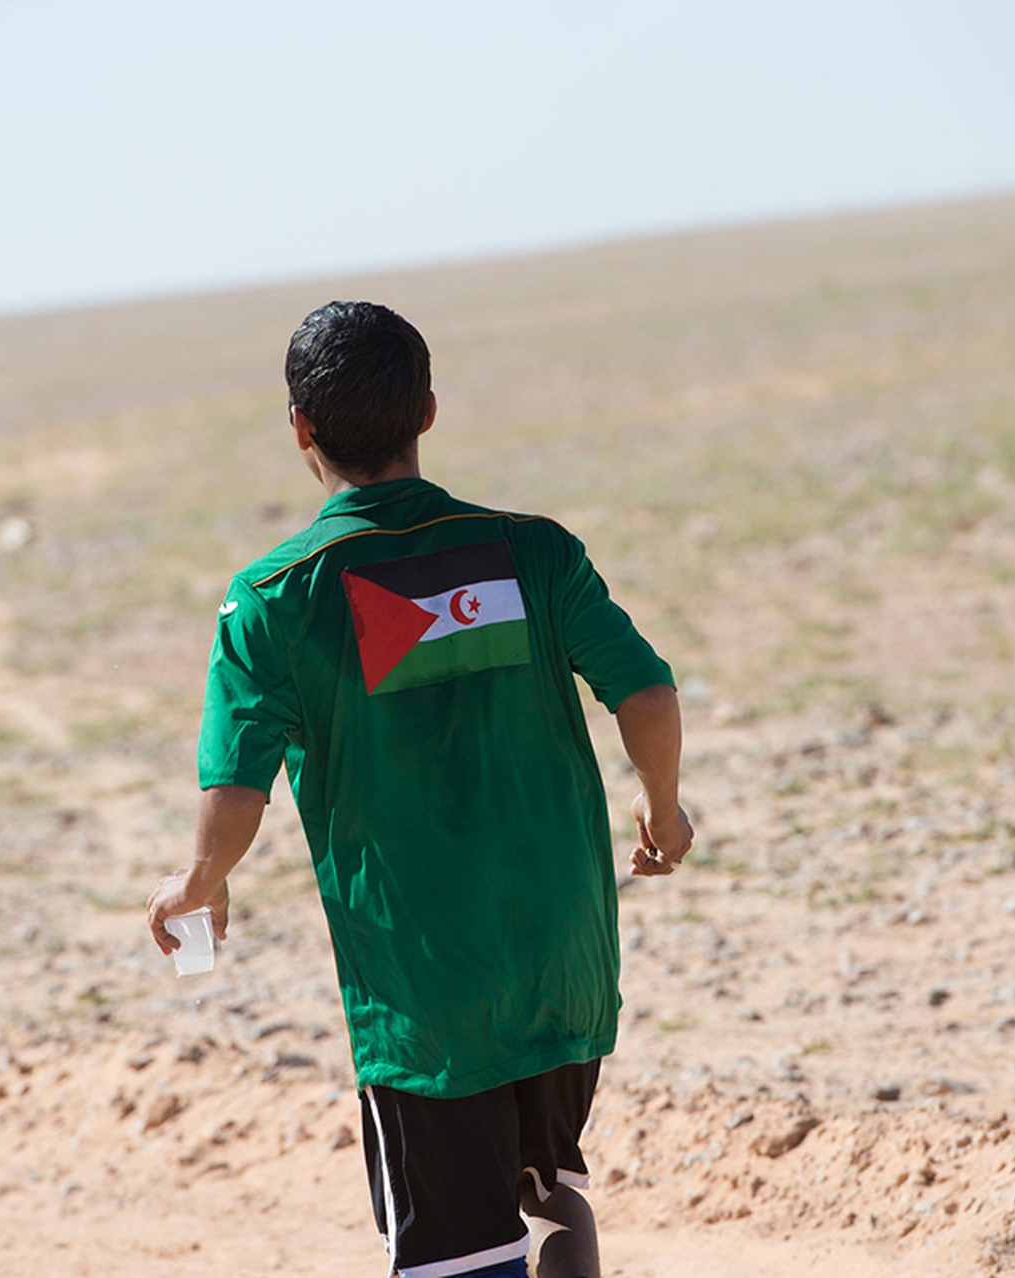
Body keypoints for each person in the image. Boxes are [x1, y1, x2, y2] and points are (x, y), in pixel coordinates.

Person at [146, 300, 692, 1278]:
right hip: (564, 950)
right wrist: (663, 801)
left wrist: (200, 882)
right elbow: (645, 689)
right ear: (427, 411)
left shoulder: (276, 597)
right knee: (551, 1181)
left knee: (457, 1253)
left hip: (428, 992)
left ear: (302, 428)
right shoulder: (532, 551)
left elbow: (236, 787)